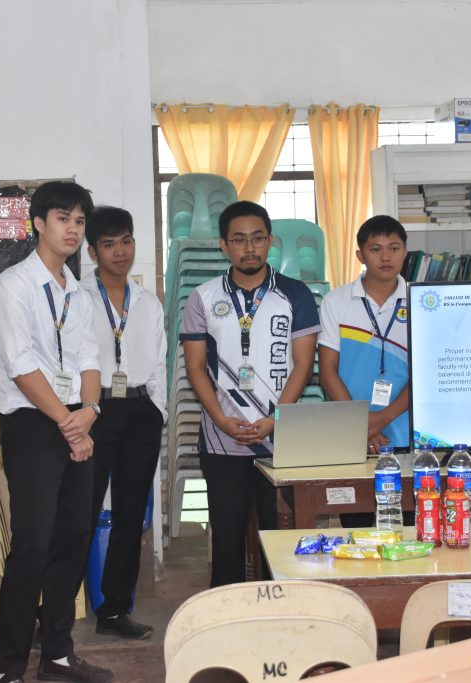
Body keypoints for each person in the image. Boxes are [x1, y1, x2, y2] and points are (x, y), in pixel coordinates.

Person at [0, 182, 112, 683]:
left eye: (79, 221)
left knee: (73, 539)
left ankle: (57, 654)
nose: (73, 230)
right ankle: (7, 667)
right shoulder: (12, 286)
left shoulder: (77, 291)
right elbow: (20, 365)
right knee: (33, 546)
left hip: (76, 420)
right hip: (33, 424)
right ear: (38, 223)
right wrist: (70, 424)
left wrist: (91, 412)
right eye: (63, 219)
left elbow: (90, 358)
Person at [180, 201, 319, 587]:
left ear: (270, 241)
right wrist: (221, 420)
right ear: (224, 245)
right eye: (239, 240)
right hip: (221, 438)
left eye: (257, 238)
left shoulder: (295, 294)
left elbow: (303, 365)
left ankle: (282, 605)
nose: (249, 247)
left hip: (280, 436)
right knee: (227, 535)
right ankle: (227, 610)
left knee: (281, 533)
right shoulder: (202, 297)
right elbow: (195, 367)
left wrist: (276, 419)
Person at [79, 206, 166, 639]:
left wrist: (158, 409)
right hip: (94, 411)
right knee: (81, 511)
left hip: (140, 411)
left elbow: (160, 361)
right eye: (109, 244)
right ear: (92, 251)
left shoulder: (147, 302)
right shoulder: (77, 298)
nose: (120, 252)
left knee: (131, 514)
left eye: (126, 241)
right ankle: (55, 610)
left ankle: (114, 610)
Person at [318, 216, 410, 527]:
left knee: (408, 529)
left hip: (407, 436)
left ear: (405, 252)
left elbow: (426, 374)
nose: (386, 257)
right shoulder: (336, 301)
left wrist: (382, 418)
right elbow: (327, 371)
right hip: (352, 438)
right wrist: (361, 424)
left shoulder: (421, 300)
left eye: (394, 248)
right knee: (356, 531)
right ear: (360, 255)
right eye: (376, 249)